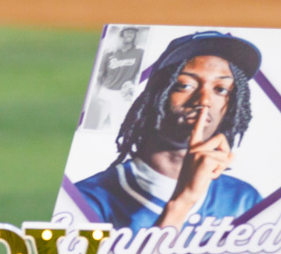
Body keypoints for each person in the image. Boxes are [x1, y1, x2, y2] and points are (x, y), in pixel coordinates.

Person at [75, 31, 262, 233]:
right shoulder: (87, 199)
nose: (204, 100)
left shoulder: (243, 199)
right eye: (184, 85)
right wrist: (183, 200)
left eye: (221, 89)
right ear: (156, 95)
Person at [83, 26, 144, 131]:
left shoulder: (140, 53)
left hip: (122, 94)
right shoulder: (109, 53)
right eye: (127, 32)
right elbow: (100, 74)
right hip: (105, 91)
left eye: (133, 32)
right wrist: (95, 92)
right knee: (92, 125)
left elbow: (141, 73)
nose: (130, 34)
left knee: (119, 126)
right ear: (121, 34)